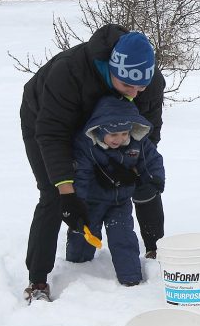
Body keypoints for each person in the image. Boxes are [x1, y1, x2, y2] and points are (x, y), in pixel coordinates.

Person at [21, 26, 166, 302]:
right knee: (54, 194)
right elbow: (52, 134)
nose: (135, 94)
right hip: (46, 120)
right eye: (127, 86)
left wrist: (133, 166)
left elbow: (150, 133)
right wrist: (68, 192)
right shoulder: (70, 73)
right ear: (111, 70)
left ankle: (155, 250)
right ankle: (38, 280)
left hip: (113, 126)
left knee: (142, 180)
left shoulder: (150, 83)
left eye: (141, 87)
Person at [67, 96, 165, 286]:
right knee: (85, 235)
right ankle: (76, 267)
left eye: (123, 134)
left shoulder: (138, 143)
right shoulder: (87, 146)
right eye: (113, 135)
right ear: (100, 130)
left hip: (120, 202)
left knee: (124, 238)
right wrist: (78, 204)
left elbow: (152, 161)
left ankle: (131, 279)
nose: (119, 139)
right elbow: (81, 176)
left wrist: (153, 183)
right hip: (92, 202)